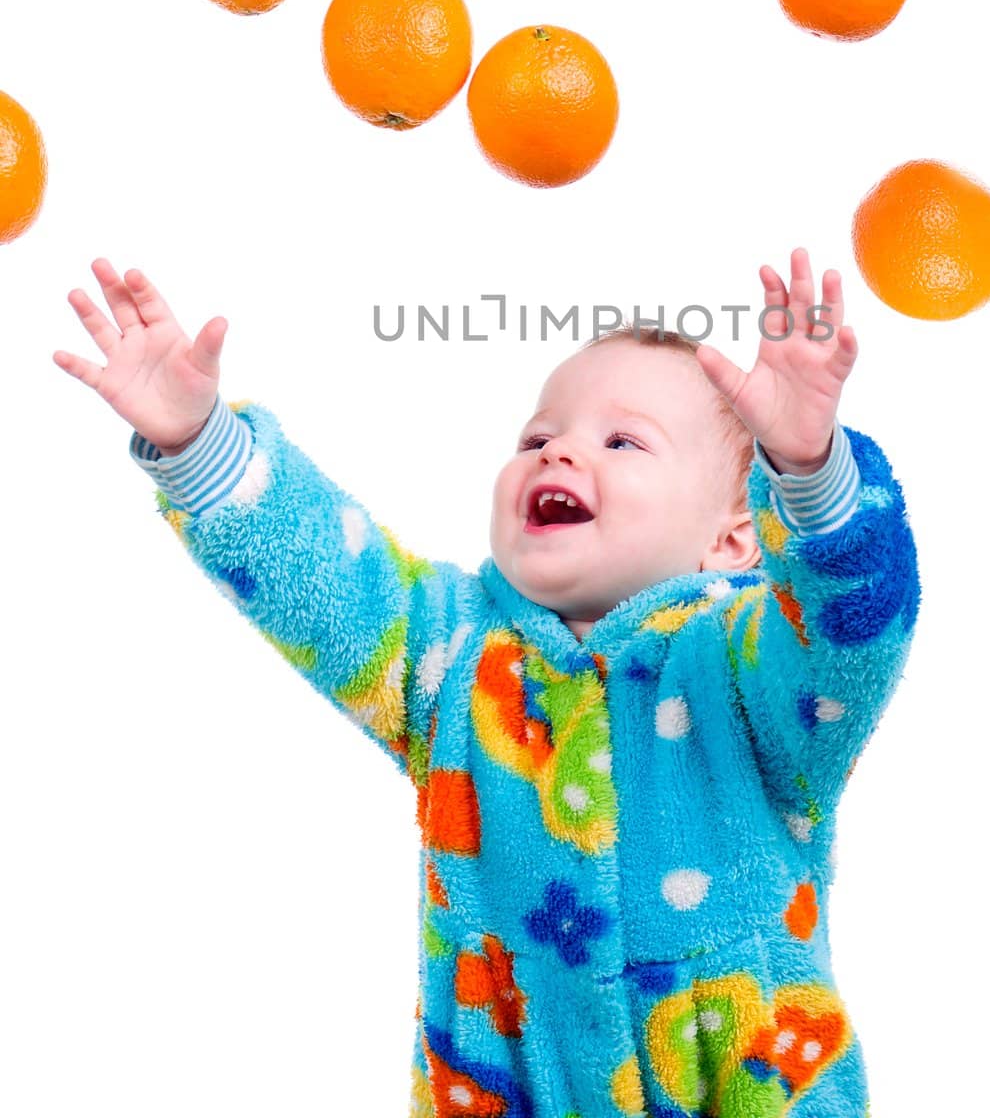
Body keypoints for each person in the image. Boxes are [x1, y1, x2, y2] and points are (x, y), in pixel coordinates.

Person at [53, 248, 921, 1118]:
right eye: (538, 439)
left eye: (623, 442)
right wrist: (198, 441)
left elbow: (853, 629)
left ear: (734, 540)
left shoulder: (747, 672)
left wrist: (810, 477)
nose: (561, 453)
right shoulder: (452, 654)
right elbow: (320, 576)